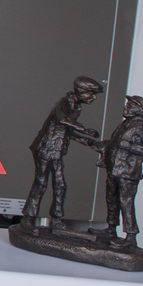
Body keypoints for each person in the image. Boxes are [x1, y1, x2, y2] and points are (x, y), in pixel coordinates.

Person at [22, 75, 104, 227]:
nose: (94, 98)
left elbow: (66, 130)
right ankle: (29, 217)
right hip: (45, 148)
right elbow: (63, 120)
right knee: (41, 183)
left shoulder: (76, 106)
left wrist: (87, 141)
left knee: (60, 184)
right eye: (91, 94)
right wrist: (85, 130)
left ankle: (56, 219)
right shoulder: (65, 103)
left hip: (56, 149)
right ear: (81, 91)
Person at [91, 94, 143, 243]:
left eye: (131, 106)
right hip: (114, 168)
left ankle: (131, 236)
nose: (126, 108)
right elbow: (116, 144)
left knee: (126, 203)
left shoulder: (141, 129)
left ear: (141, 111)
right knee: (111, 198)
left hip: (128, 173)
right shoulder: (124, 125)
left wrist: (129, 146)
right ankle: (111, 229)